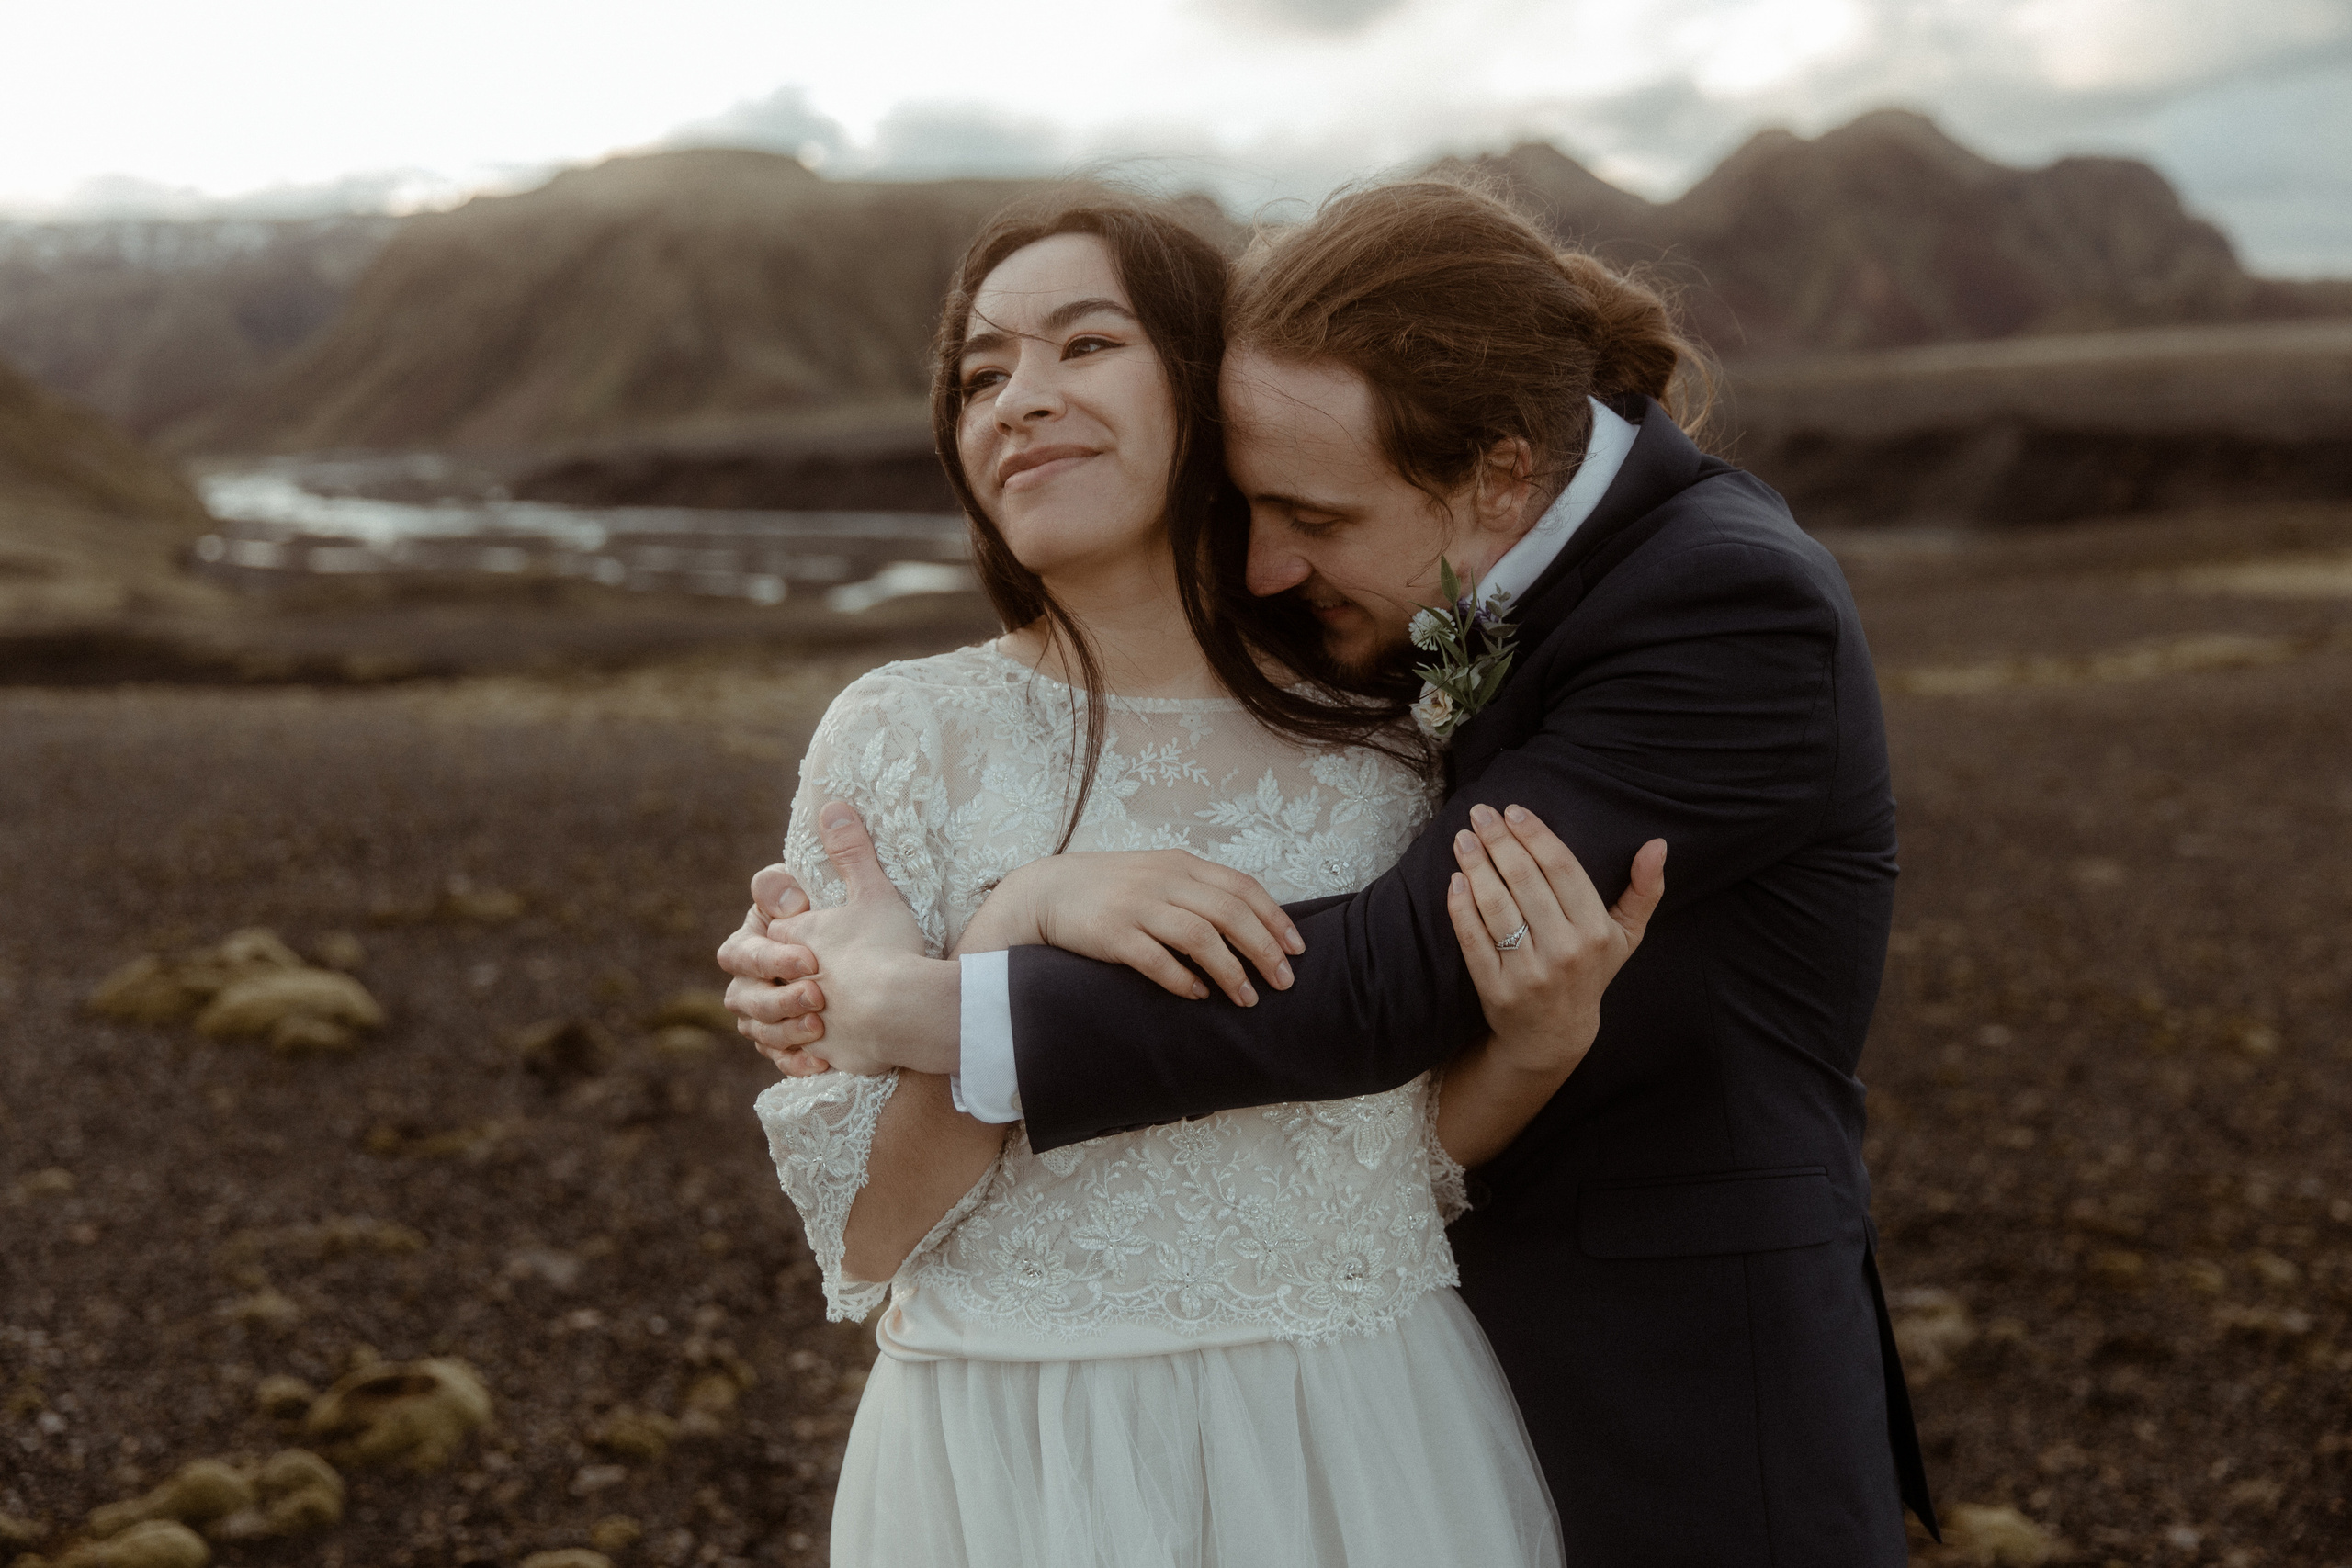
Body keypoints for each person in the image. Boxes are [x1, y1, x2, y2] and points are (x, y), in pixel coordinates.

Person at [728, 177, 1939, 1564]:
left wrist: (955, 985)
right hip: (1017, 1455)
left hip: (1523, 1397)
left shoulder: (1579, 659)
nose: (1018, 398)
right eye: (979, 369)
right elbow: (867, 1229)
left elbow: (1383, 1031)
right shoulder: (900, 739)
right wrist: (1019, 915)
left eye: (1084, 343)